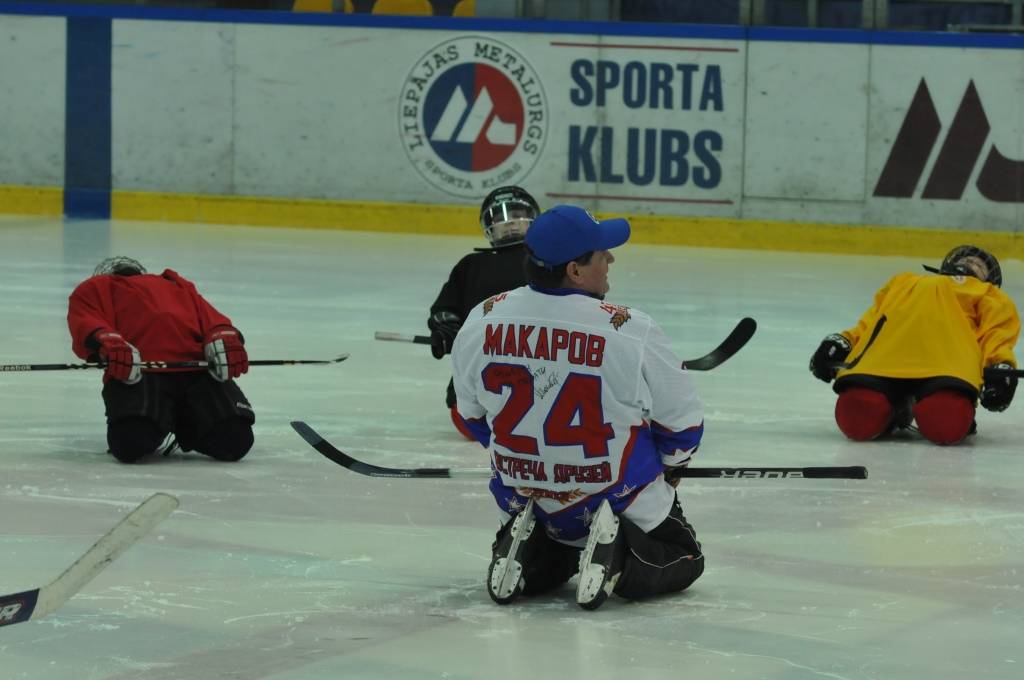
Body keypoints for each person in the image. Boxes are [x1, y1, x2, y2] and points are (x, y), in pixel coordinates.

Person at [450, 205, 705, 611]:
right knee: (684, 557)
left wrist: (537, 463)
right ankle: (620, 553)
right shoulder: (631, 328)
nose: (611, 260)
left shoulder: (483, 316)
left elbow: (470, 417)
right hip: (614, 496)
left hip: (521, 492)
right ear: (575, 270)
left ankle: (531, 551)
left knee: (557, 547)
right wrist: (672, 469)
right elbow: (683, 428)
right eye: (601, 254)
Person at [809, 245, 1019, 445]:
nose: (972, 264)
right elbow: (873, 321)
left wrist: (1000, 365)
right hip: (883, 359)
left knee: (946, 422)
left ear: (988, 279)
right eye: (967, 259)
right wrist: (843, 341)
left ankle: (908, 406)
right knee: (856, 418)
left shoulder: (988, 293)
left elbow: (996, 332)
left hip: (947, 364)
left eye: (980, 266)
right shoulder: (904, 281)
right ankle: (897, 407)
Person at [67, 256, 255, 463]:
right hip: (194, 372)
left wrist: (106, 340)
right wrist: (223, 335)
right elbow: (214, 321)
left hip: (143, 372)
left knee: (132, 444)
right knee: (234, 441)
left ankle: (168, 418)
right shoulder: (175, 284)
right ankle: (177, 420)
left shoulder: (95, 285)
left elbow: (85, 320)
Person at [428, 186, 540, 439]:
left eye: (516, 214)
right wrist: (446, 329)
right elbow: (445, 309)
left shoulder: (547, 262)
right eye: (499, 218)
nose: (510, 223)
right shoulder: (470, 266)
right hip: (472, 407)